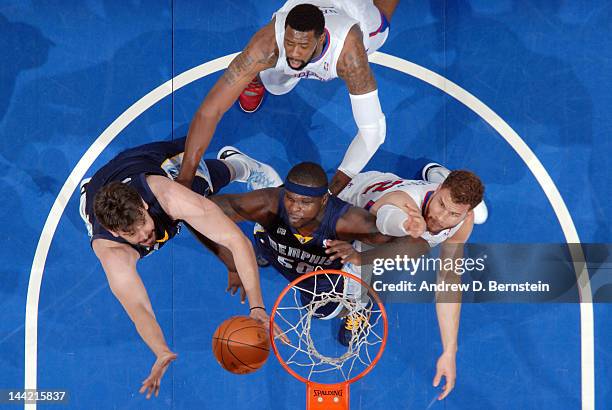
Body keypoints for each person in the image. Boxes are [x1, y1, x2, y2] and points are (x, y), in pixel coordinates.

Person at [78, 138, 282, 399]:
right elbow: (139, 308)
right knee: (187, 216)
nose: (144, 235)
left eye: (142, 223)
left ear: (143, 204)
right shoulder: (112, 251)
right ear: (114, 231)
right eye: (131, 233)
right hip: (94, 195)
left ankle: (239, 164)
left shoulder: (165, 195)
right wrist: (160, 349)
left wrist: (257, 307)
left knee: (199, 184)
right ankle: (93, 190)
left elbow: (237, 241)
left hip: (142, 161)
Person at [177, 0, 400, 195]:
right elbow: (209, 111)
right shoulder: (268, 45)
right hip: (302, 6)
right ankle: (253, 78)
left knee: (381, 22)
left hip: (349, 9)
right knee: (275, 84)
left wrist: (333, 189)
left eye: (303, 46)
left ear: (321, 38)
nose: (294, 53)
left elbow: (373, 131)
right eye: (290, 43)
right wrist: (186, 178)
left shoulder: (350, 56)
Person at [324, 164, 486, 400]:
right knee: (385, 243)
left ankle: (437, 175)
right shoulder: (403, 201)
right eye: (441, 204)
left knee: (423, 242)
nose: (441, 218)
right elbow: (386, 216)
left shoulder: (464, 221)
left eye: (454, 213)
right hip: (355, 207)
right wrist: (406, 225)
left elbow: (448, 282)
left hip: (402, 208)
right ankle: (359, 300)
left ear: (465, 214)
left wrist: (450, 351)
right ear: (439, 190)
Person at [206, 147, 394, 329]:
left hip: (322, 276)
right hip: (274, 246)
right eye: (290, 199)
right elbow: (201, 211)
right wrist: (230, 261)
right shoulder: (269, 204)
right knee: (262, 216)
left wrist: (361, 257)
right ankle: (244, 166)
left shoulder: (345, 221)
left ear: (324, 200)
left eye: (306, 202)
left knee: (326, 309)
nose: (295, 208)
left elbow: (410, 244)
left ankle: (359, 307)